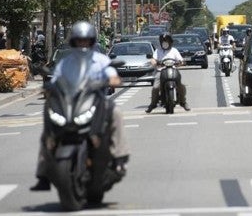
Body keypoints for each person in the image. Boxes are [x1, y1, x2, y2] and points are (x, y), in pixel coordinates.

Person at [30, 21, 129, 191]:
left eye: (86, 40)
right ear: (73, 41)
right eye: (79, 40)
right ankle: (43, 173)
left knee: (116, 112)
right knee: (48, 126)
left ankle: (119, 158)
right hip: (71, 102)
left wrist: (111, 80)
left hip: (95, 99)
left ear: (92, 41)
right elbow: (55, 80)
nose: (82, 44)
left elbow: (114, 77)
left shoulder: (101, 59)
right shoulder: (66, 62)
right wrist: (49, 88)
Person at [145, 33, 190, 113]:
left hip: (173, 70)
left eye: (166, 41)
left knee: (181, 86)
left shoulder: (174, 50)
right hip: (161, 71)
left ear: (170, 42)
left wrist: (181, 62)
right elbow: (153, 59)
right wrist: (155, 62)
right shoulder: (158, 50)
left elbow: (181, 60)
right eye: (163, 41)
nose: (165, 43)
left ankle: (183, 102)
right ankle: (153, 103)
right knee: (155, 87)